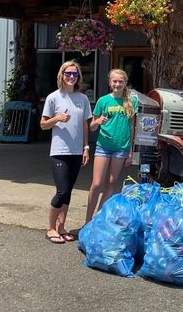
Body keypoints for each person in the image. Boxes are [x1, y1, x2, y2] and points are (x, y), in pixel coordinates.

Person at [40, 60, 91, 244]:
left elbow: (85, 125)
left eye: (74, 74)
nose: (71, 77)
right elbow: (43, 124)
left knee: (68, 192)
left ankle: (61, 227)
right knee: (61, 191)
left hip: (76, 152)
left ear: (78, 77)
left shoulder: (82, 99)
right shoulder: (53, 97)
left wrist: (86, 147)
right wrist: (57, 118)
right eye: (68, 73)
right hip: (59, 151)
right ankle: (51, 228)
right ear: (61, 75)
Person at [85, 68, 138, 223]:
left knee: (111, 183)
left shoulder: (131, 102)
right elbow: (92, 127)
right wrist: (97, 121)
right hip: (103, 146)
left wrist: (131, 152)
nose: (117, 84)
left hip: (121, 148)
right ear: (110, 82)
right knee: (97, 184)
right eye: (114, 81)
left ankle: (98, 218)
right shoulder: (103, 101)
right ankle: (87, 220)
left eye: (120, 81)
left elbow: (132, 127)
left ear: (125, 83)